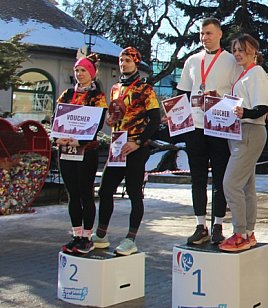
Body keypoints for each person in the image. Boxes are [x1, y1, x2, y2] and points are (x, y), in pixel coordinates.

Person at [177, 17, 241, 245]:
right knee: (197, 178)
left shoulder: (232, 61)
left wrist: (220, 101)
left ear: (220, 34)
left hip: (219, 127)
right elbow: (183, 94)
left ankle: (217, 225)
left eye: (209, 33)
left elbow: (238, 93)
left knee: (220, 179)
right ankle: (199, 225)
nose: (205, 37)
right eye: (202, 34)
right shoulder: (192, 61)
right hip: (195, 127)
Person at [91, 47, 160, 255]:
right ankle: (101, 235)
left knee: (133, 193)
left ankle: (131, 238)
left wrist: (138, 141)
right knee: (105, 190)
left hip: (135, 147)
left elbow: (155, 120)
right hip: (117, 145)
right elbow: (115, 115)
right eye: (121, 60)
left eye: (128, 60)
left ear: (136, 63)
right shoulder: (115, 88)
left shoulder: (145, 89)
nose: (123, 64)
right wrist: (111, 120)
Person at [217, 34, 268, 252]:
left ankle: (240, 232)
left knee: (231, 184)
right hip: (241, 132)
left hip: (250, 130)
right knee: (246, 185)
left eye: (243, 49)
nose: (238, 53)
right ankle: (248, 232)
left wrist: (244, 112)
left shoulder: (256, 73)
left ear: (253, 51)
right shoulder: (245, 74)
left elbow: (263, 107)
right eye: (236, 50)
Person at [55, 54, 108, 254]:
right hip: (66, 150)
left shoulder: (97, 96)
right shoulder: (67, 94)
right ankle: (76, 235)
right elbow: (56, 117)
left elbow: (98, 122)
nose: (79, 74)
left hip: (86, 151)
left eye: (83, 70)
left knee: (86, 193)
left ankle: (87, 236)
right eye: (77, 70)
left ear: (91, 73)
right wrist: (57, 138)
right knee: (73, 194)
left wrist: (81, 140)